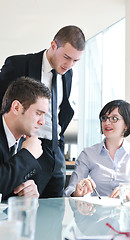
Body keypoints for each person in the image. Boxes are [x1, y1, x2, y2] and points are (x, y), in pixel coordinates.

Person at [0, 25, 86, 197]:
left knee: (55, 208)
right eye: (67, 57)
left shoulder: (67, 74)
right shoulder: (18, 64)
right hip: (28, 145)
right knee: (23, 202)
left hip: (55, 150)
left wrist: (58, 144)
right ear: (53, 45)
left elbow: (63, 111)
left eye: (75, 61)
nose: (69, 65)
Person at [64, 99, 130, 198]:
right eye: (104, 118)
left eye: (114, 118)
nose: (107, 123)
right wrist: (77, 193)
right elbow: (70, 190)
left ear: (126, 124)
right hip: (97, 214)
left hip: (128, 214)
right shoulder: (88, 154)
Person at [0, 76, 51, 200]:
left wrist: (29, 192)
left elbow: (8, 183)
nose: (42, 122)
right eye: (38, 113)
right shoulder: (29, 149)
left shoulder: (25, 141)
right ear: (16, 107)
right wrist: (27, 155)